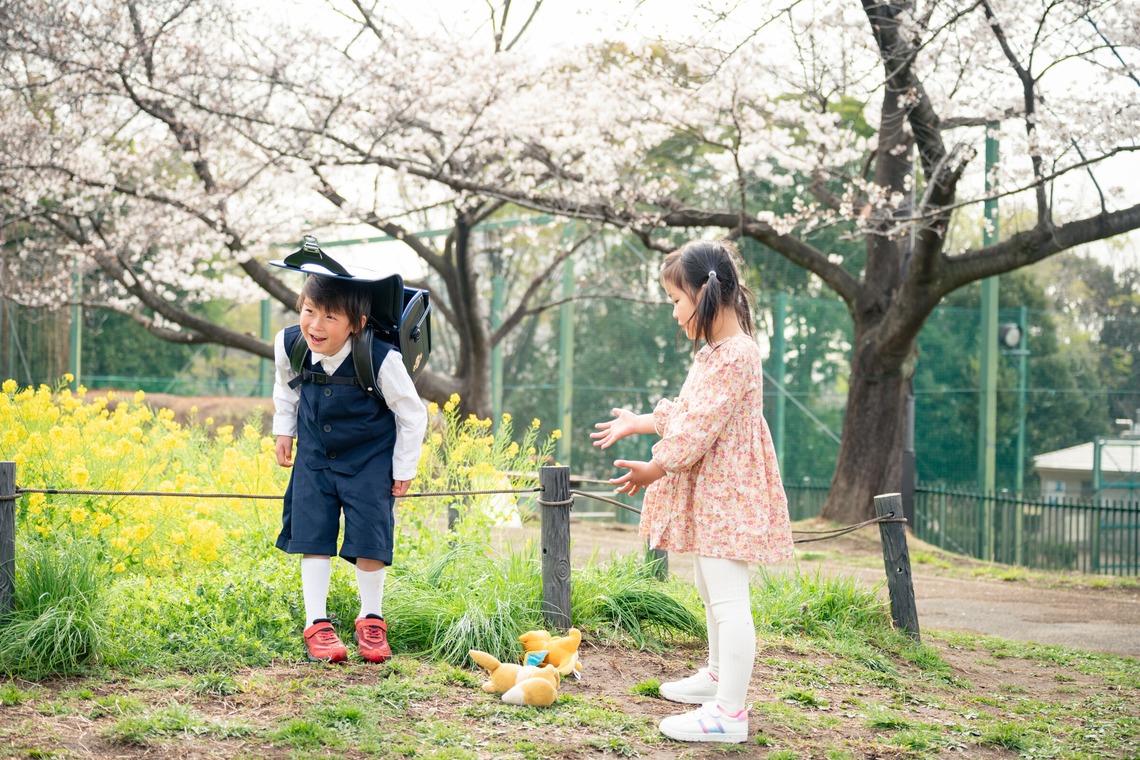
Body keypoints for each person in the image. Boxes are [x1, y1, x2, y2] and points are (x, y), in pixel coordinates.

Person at [591, 239, 793, 744]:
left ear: (705, 293)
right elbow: (686, 410)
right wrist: (641, 422)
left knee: (728, 599)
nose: (675, 313)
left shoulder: (736, 355)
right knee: (709, 588)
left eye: (677, 302)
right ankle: (717, 677)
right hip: (714, 489)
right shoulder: (715, 354)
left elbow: (699, 428)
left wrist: (654, 469)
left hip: (729, 491)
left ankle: (729, 714)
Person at [272, 274, 428, 664]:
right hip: (314, 458)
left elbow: (412, 413)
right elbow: (285, 384)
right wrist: (283, 430)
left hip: (370, 461)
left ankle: (371, 618)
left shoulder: (380, 358)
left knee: (370, 538)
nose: (315, 325)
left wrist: (403, 468)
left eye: (330, 317)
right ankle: (317, 624)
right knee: (313, 536)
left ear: (356, 324)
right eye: (309, 311)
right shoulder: (290, 344)